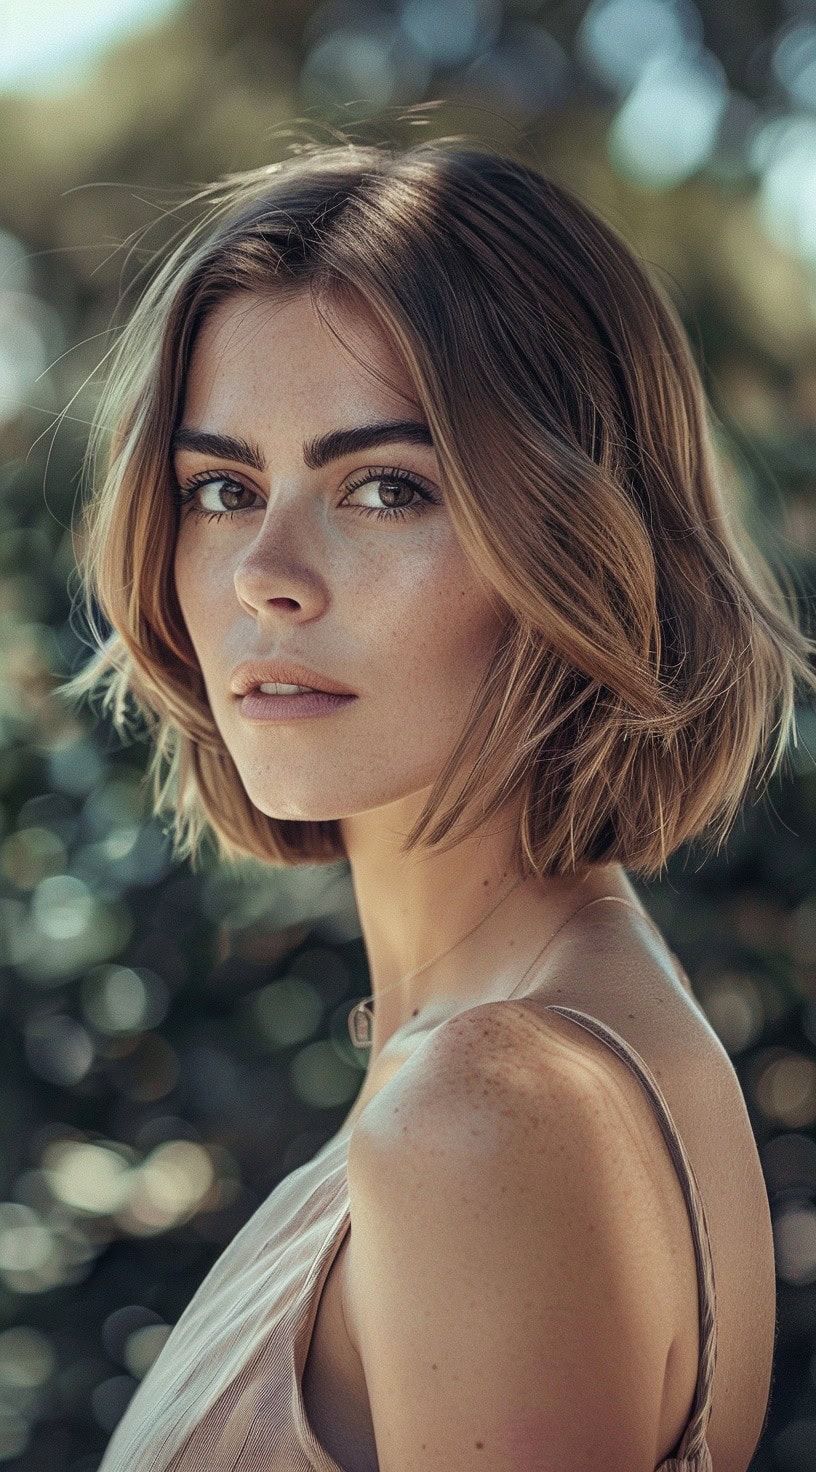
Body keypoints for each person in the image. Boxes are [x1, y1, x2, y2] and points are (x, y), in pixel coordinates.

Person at [59, 136, 813, 1471]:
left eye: (385, 486)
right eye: (222, 489)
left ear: (573, 541)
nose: (266, 578)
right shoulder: (533, 1051)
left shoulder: (491, 1108)